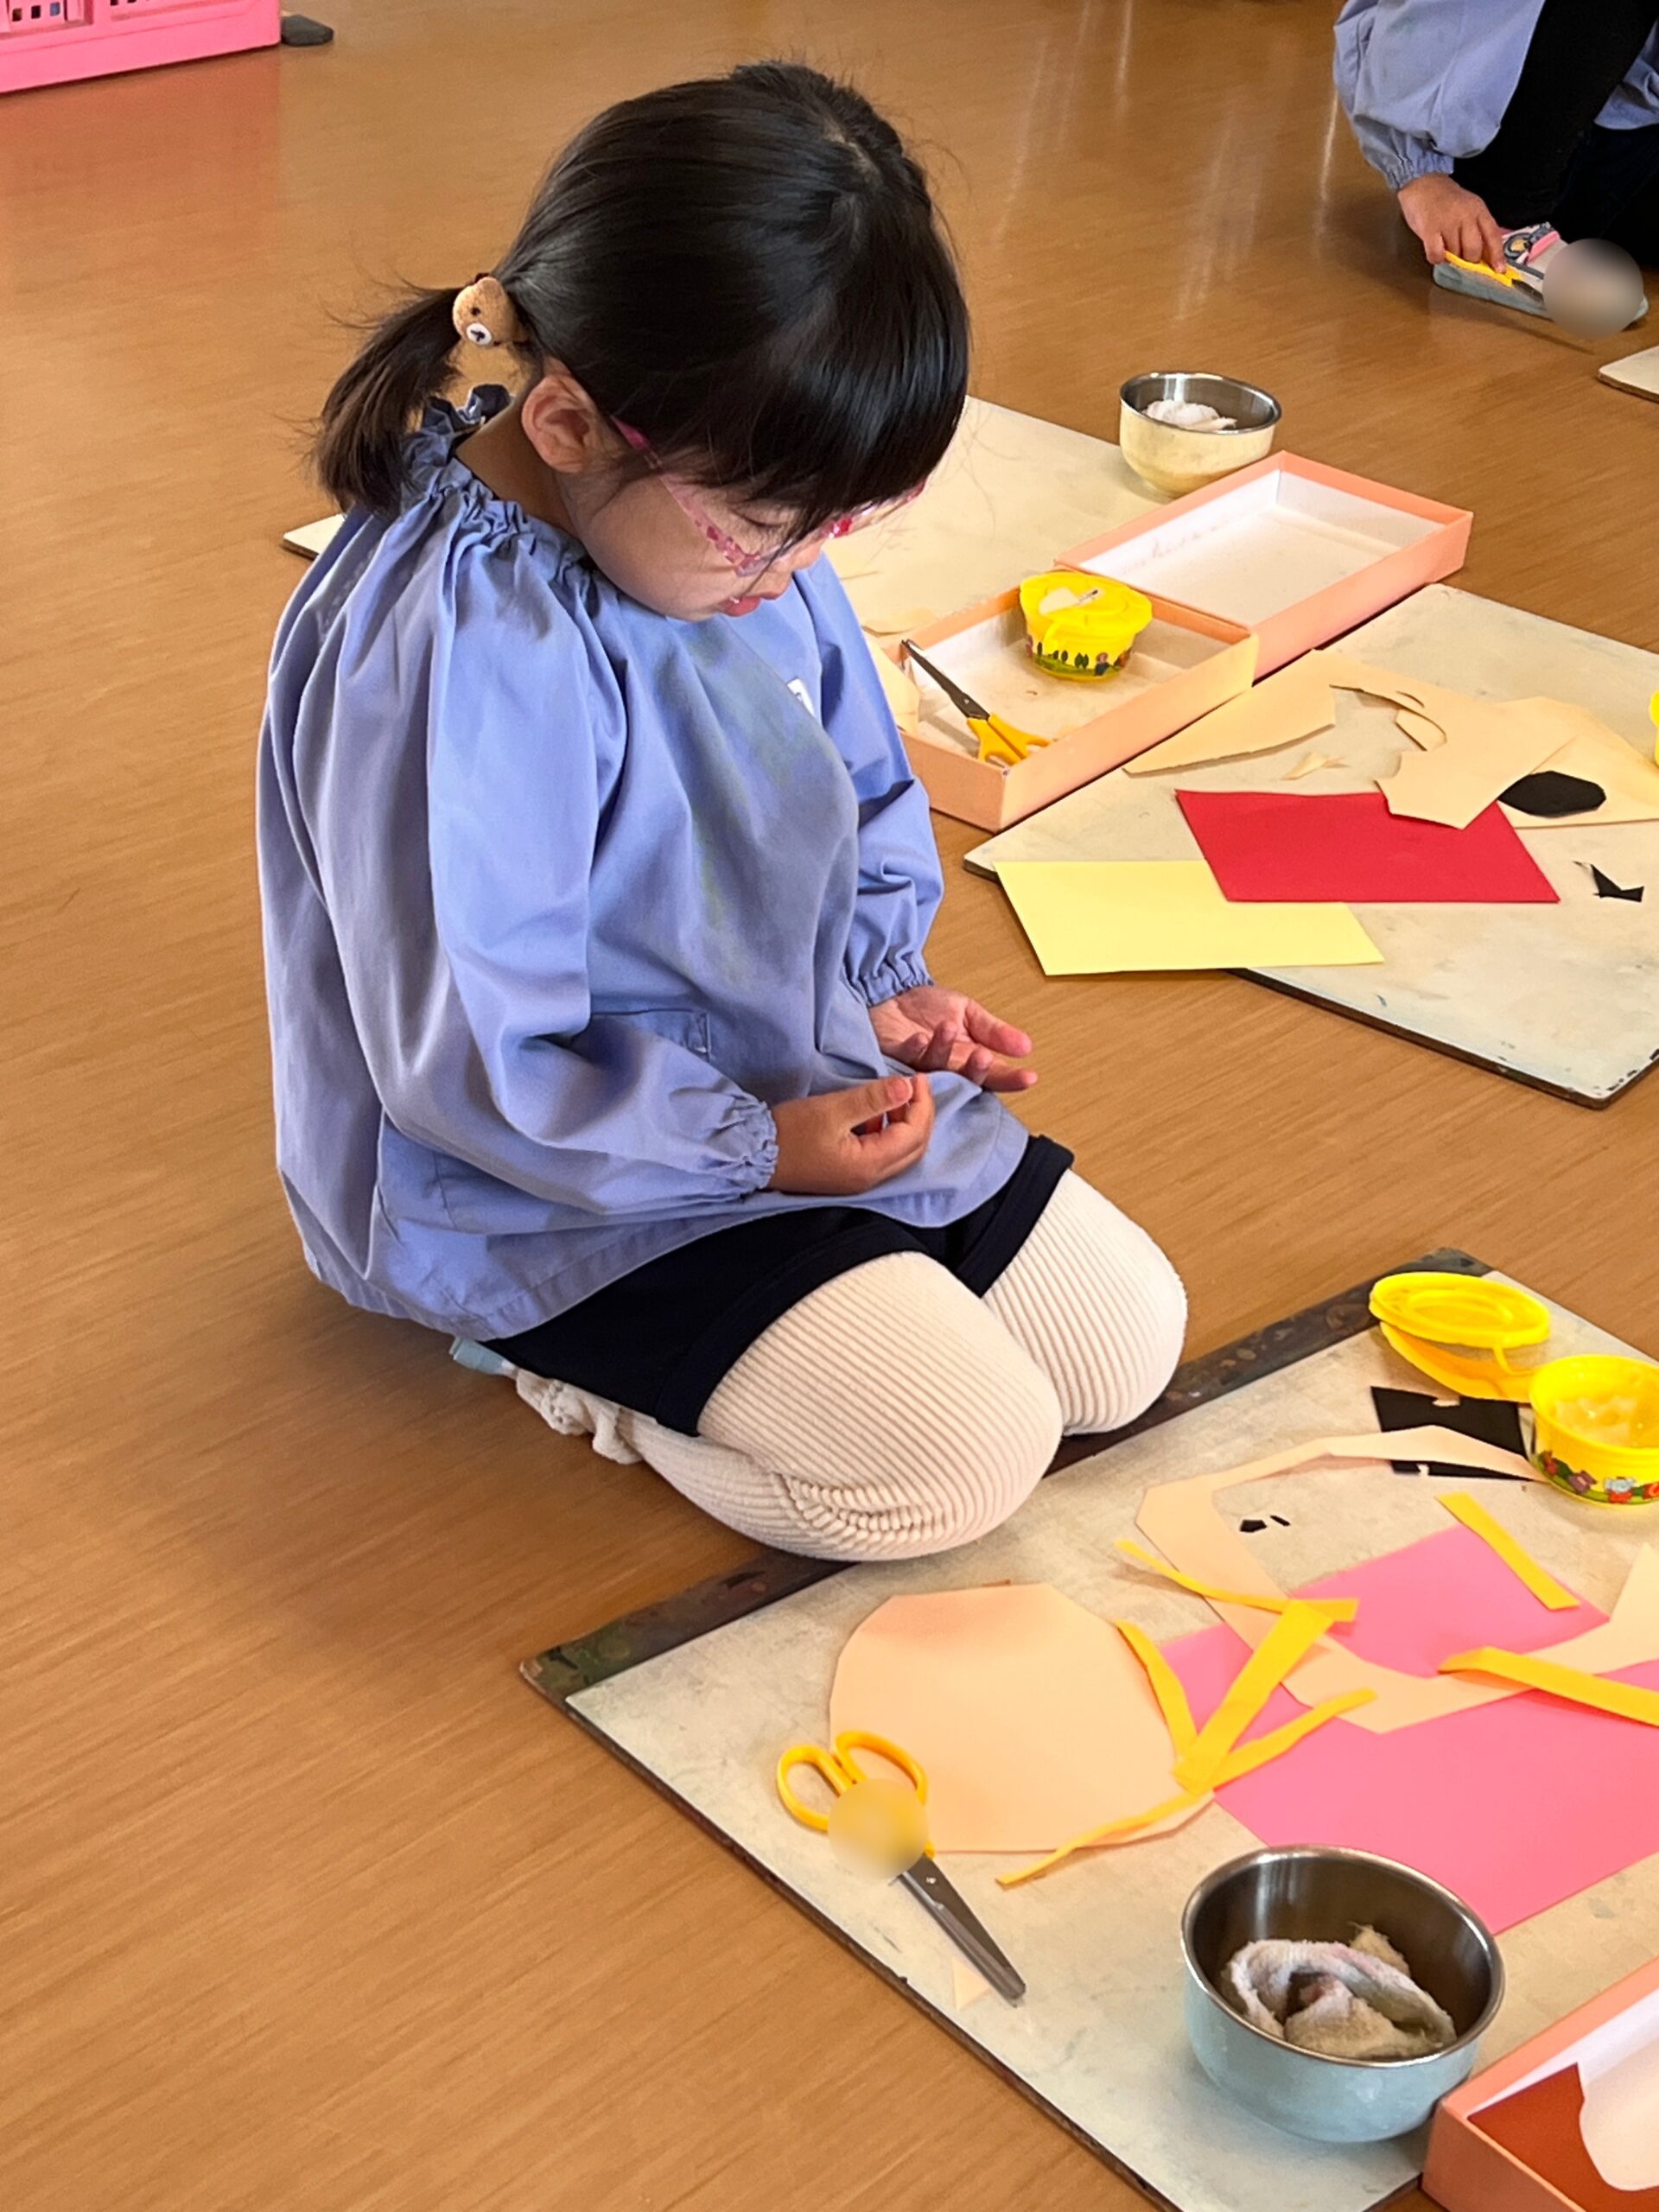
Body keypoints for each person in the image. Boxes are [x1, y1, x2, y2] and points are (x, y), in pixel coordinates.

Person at [258, 63, 1185, 1564]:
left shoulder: (721, 534)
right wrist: (753, 1149)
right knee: (951, 1471)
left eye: (838, 525)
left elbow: (853, 782)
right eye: (768, 525)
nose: (798, 568)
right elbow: (474, 1061)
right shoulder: (464, 650)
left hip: (780, 1076)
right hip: (550, 1173)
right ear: (569, 424)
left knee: (1120, 1346)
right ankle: (580, 1373)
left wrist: (882, 988)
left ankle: (791, 1281)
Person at [1336, 1, 1659, 300]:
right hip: (1488, 157)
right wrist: (1420, 177)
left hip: (1620, 131)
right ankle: (1510, 220)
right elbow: (1395, 30)